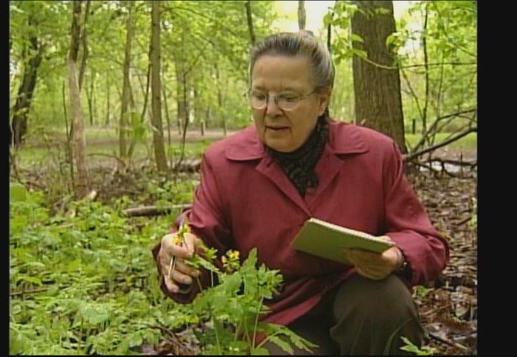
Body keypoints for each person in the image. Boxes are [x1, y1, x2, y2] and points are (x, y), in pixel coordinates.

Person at [153, 31, 449, 355]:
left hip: (360, 294)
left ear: (322, 100)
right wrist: (179, 256)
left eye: (288, 97)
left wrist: (395, 255)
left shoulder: (374, 154)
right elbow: (200, 236)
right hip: (279, 314)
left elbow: (427, 242)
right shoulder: (224, 162)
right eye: (259, 95)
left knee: (385, 302)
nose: (271, 110)